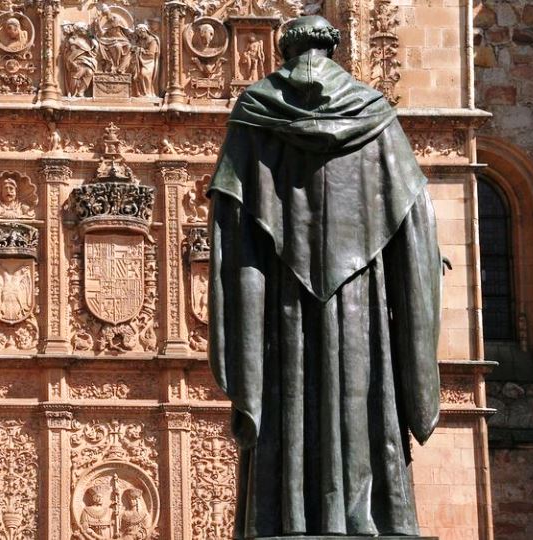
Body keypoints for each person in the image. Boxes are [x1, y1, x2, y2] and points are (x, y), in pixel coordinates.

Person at [207, 16, 442, 538]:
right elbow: (414, 211)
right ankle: (369, 516)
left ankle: (284, 514)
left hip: (279, 304)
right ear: (332, 49)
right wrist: (422, 263)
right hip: (362, 300)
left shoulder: (253, 113)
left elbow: (230, 218)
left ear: (283, 50)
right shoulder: (375, 114)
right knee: (364, 394)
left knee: (287, 398)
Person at [132, 24, 159, 97]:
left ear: (145, 31)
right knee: (138, 75)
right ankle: (142, 93)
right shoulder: (140, 41)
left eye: (140, 33)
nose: (140, 35)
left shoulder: (152, 40)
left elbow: (151, 54)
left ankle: (148, 93)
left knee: (144, 74)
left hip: (149, 62)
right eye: (138, 34)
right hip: (142, 61)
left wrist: (140, 50)